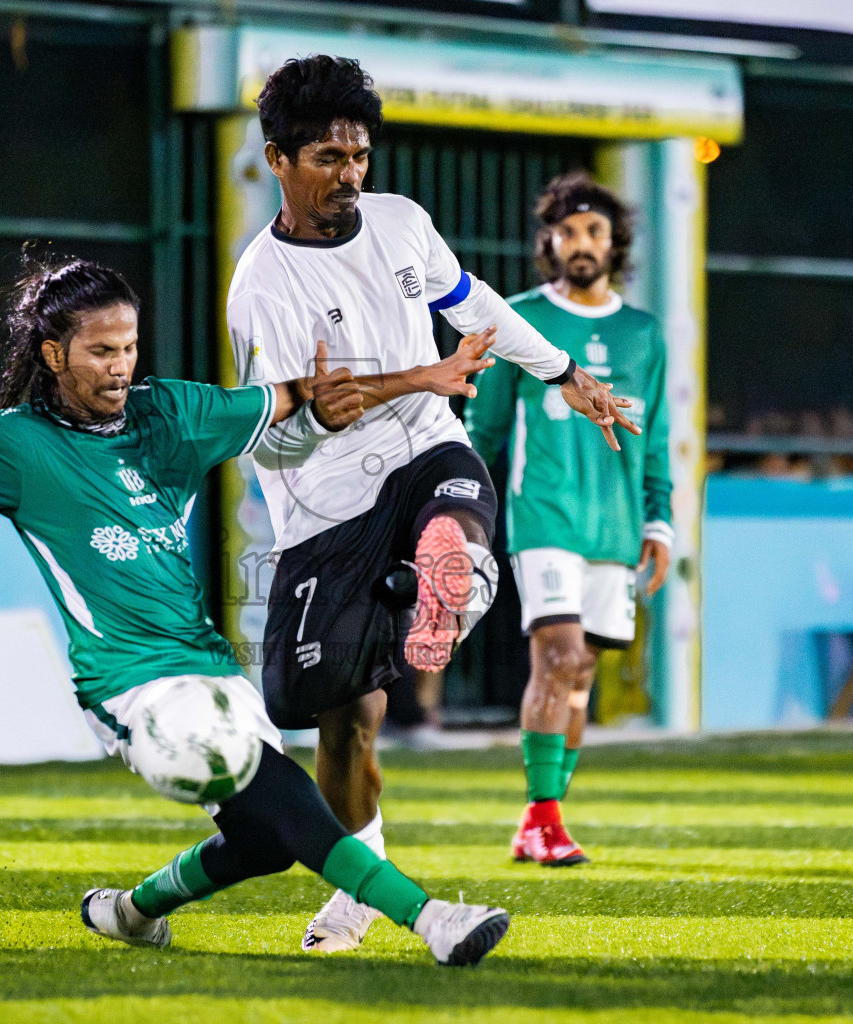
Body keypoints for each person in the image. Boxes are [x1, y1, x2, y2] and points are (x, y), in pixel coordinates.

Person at [0, 257, 511, 967]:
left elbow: (303, 394)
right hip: (128, 685)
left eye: (128, 346)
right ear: (53, 355)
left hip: (204, 663)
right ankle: (431, 918)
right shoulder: (9, 444)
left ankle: (127, 913)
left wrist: (418, 380)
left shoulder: (172, 413)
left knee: (265, 841)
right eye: (100, 350)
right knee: (279, 789)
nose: (120, 365)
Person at [226, 56, 637, 949]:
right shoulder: (263, 285)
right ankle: (357, 882)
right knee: (341, 721)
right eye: (329, 157)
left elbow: (472, 301)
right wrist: (412, 378)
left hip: (422, 447)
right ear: (278, 160)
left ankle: (454, 581)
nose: (351, 174)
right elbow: (292, 426)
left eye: (360, 155)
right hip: (323, 502)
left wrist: (563, 371)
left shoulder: (403, 224)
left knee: (453, 496)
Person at [465, 172, 673, 867]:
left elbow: (658, 437)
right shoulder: (519, 319)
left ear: (616, 246)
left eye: (595, 231)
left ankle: (544, 817)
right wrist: (459, 510)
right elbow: (483, 430)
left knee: (580, 672)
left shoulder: (644, 334)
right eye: (568, 230)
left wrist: (659, 524)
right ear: (548, 240)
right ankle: (543, 819)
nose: (581, 243)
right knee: (555, 656)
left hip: (612, 528)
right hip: (542, 514)